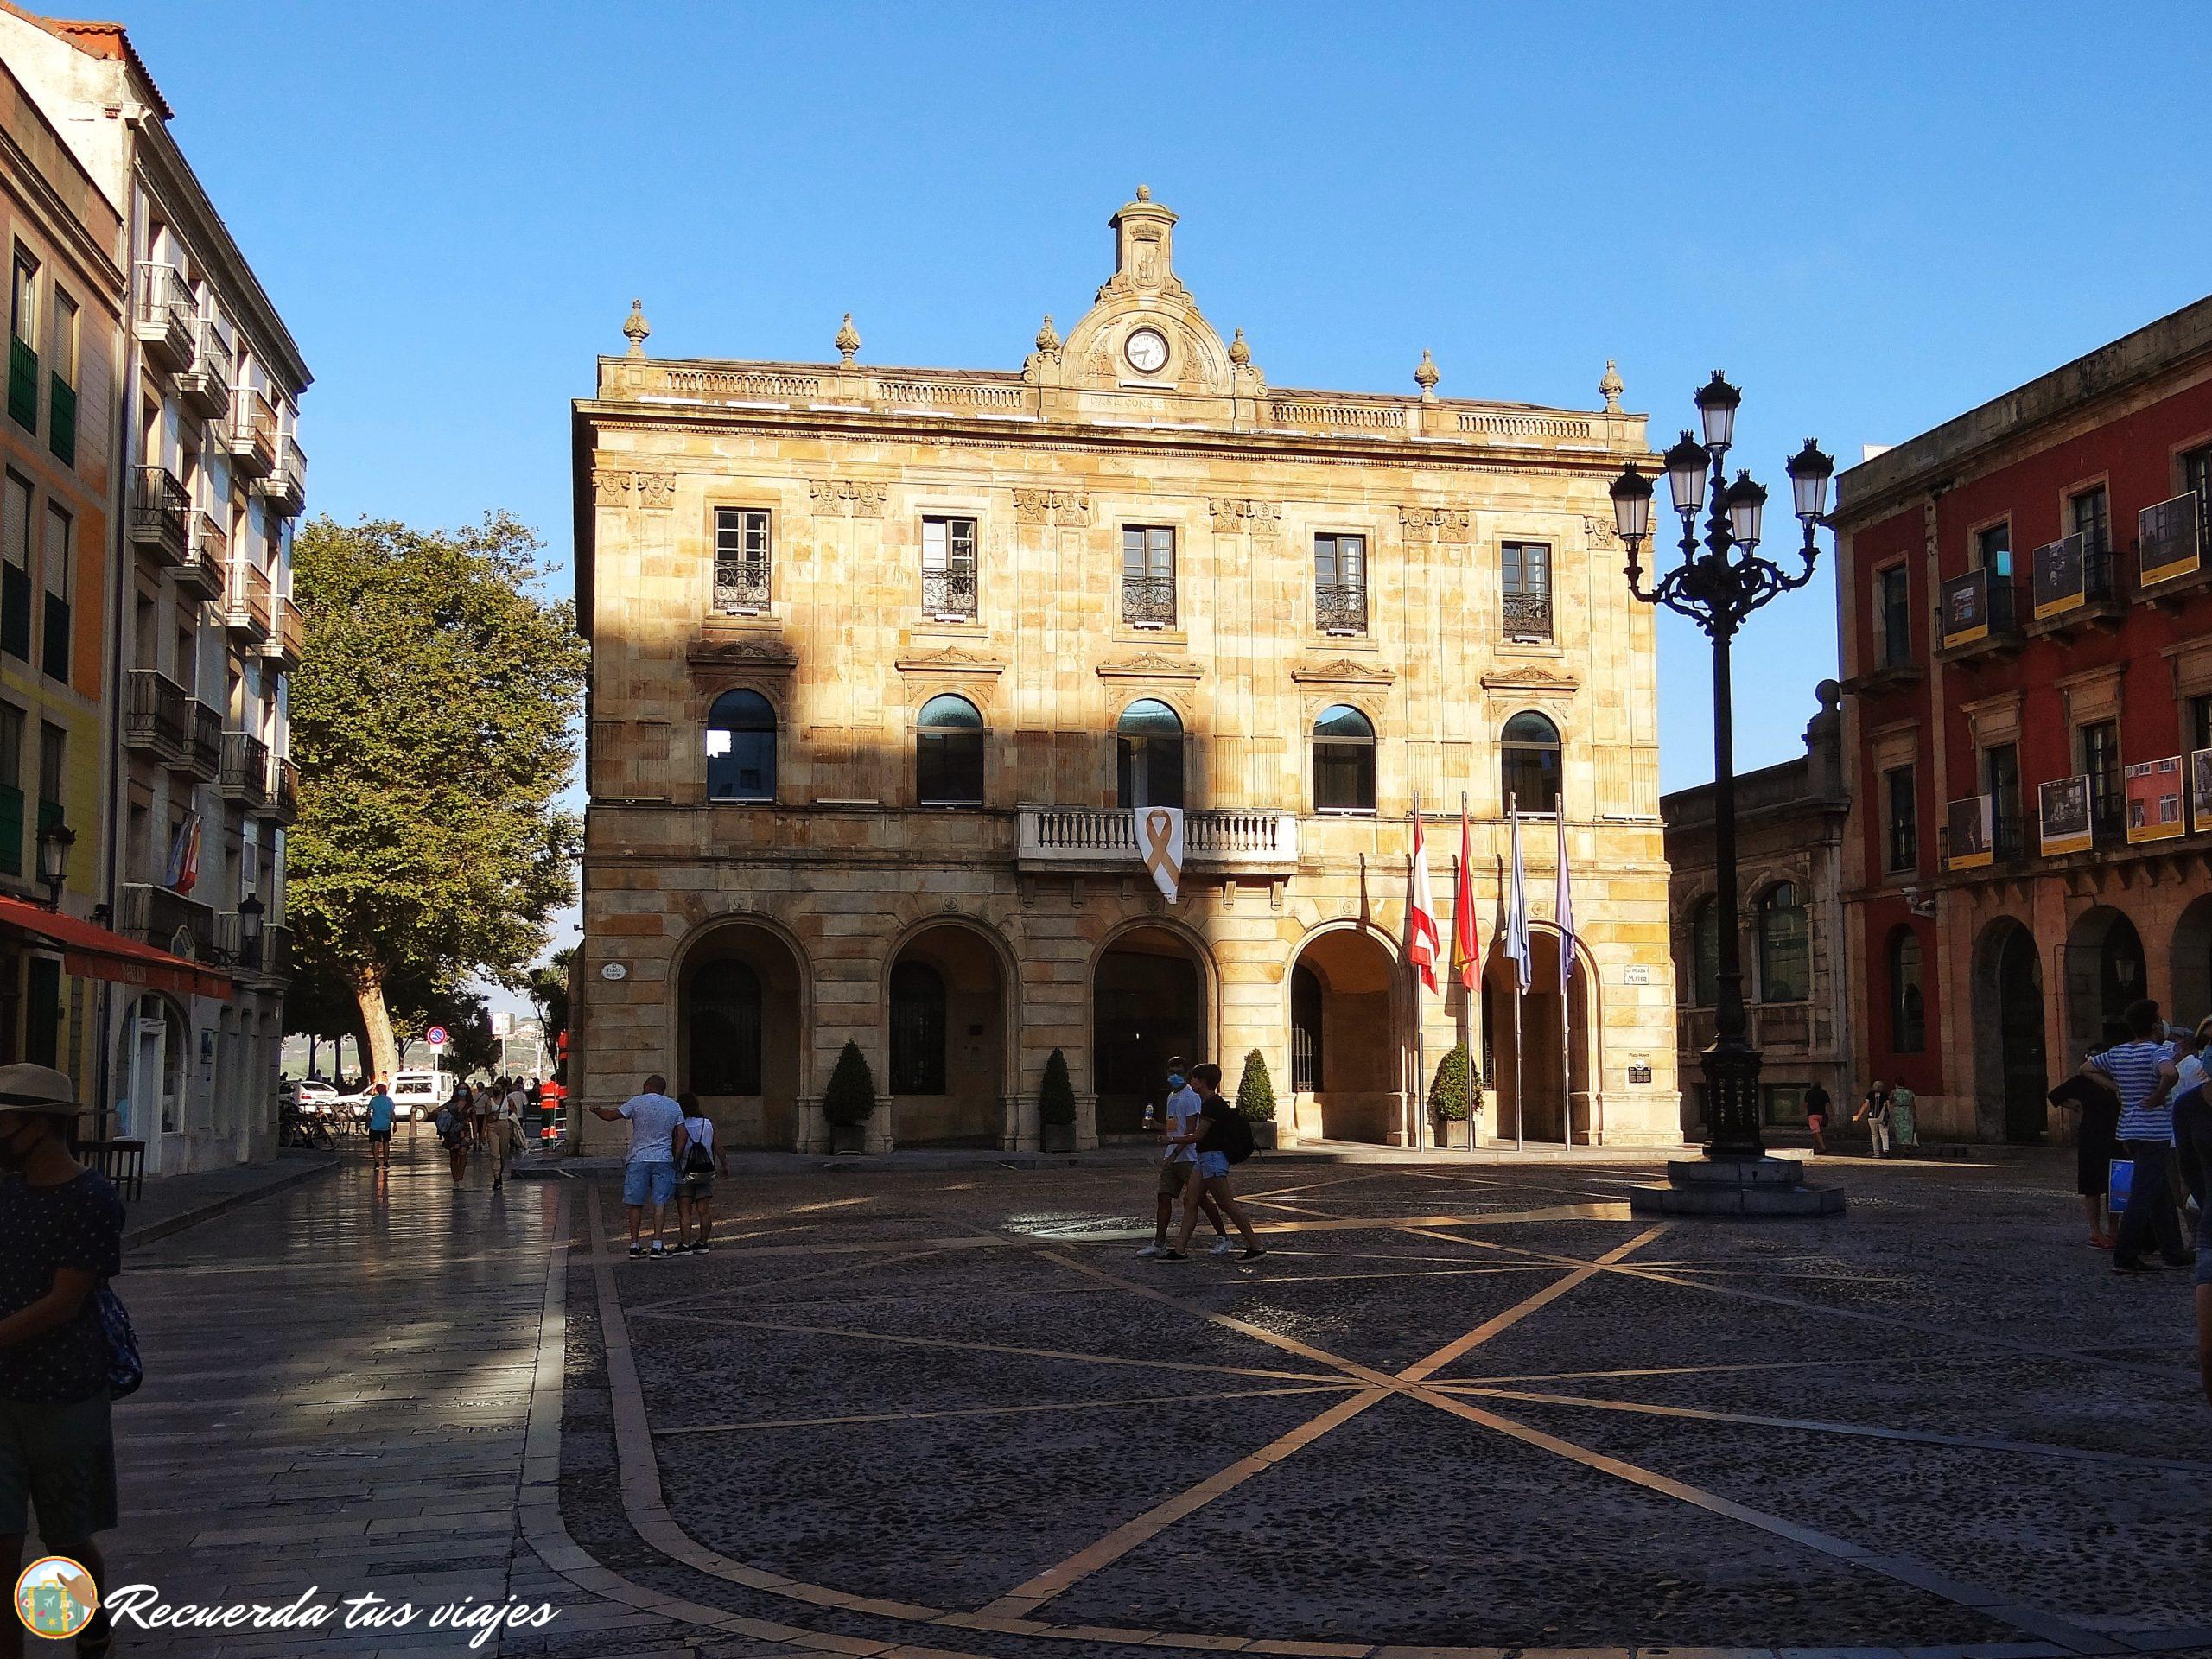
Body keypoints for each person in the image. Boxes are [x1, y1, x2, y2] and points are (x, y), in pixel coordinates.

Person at [0, 1064, 124, 1659]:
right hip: (0, 1390)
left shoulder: (92, 1197)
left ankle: (89, 1625)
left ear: (40, 1126)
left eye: (5, 1122)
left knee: (65, 1539)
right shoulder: (3, 1192)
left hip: (63, 1389)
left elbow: (64, 1300)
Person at [2094, 998, 2193, 1274]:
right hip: (2154, 1133)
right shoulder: (2155, 1051)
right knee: (2142, 1194)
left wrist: (2115, 1086)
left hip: (2129, 1131)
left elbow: (2086, 1068)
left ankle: (2173, 1251)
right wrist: (2159, 1095)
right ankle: (2125, 1256)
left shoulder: (2120, 1052)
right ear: (2153, 1026)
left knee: (2160, 1192)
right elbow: (2169, 1073)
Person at [1166, 1063, 1265, 1262]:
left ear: (1202, 1082)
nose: (1191, 1081)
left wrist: (1172, 1140)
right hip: (1204, 1158)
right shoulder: (1208, 1102)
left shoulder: (1212, 1104)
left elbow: (1198, 1135)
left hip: (1212, 1157)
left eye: (1194, 1078)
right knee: (1190, 1200)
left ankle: (1256, 1246)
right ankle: (1179, 1250)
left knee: (1226, 1203)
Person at [1139, 1057, 1230, 1259]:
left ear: (1188, 1075)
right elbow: (1174, 1127)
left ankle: (1223, 1236)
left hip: (1187, 1157)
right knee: (1163, 1197)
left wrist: (1174, 1151)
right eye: (1172, 1072)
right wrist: (1157, 1126)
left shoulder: (1191, 1097)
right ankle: (1159, 1243)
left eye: (1179, 1072)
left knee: (1200, 1200)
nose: (1175, 1076)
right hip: (1174, 1154)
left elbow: (1191, 1131)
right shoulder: (1172, 1096)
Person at [2049, 1025, 2126, 1249]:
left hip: (2114, 1136)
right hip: (2093, 1137)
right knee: (2092, 1187)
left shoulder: (2115, 1082)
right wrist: (2076, 1107)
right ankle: (2096, 1231)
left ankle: (2114, 1230)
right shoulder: (2082, 1081)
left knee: (2114, 1187)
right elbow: (2055, 1096)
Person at [590, 1074, 683, 1257]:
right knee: (660, 1203)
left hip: (638, 1158)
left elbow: (610, 1116)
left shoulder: (637, 1102)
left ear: (648, 1086)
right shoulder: (674, 1106)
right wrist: (675, 1157)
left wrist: (596, 1109)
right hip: (663, 1158)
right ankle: (657, 1244)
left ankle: (634, 1244)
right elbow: (682, 1135)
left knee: (635, 1203)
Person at [673, 1092, 728, 1254]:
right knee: (704, 1210)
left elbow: (678, 1146)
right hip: (705, 1171)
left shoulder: (680, 1125)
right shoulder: (707, 1123)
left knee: (684, 1211)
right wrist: (725, 1164)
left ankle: (685, 1244)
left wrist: (674, 1163)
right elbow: (717, 1146)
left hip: (684, 1172)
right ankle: (703, 1242)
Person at [486, 1087, 524, 1191]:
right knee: (495, 1154)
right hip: (492, 1127)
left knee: (503, 1154)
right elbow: (486, 1116)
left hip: (505, 1125)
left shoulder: (508, 1100)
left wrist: (511, 1120)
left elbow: (514, 1110)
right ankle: (496, 1178)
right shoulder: (490, 1101)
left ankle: (499, 1173)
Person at [435, 1089, 472, 1187]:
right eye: (461, 1088)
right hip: (452, 1132)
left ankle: (460, 1177)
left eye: (464, 1088)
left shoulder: (470, 1104)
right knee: (454, 1155)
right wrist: (444, 1119)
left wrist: (476, 1136)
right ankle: (455, 1178)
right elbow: (437, 1110)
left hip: (465, 1131)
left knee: (463, 1153)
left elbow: (474, 1119)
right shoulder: (451, 1104)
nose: (462, 1091)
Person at [1853, 1080, 1893, 1158]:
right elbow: (1889, 1106)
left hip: (1872, 1117)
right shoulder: (1885, 1095)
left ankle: (1876, 1153)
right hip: (1882, 1118)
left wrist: (1858, 1115)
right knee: (1884, 1133)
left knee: (1874, 1135)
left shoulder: (1870, 1095)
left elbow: (1865, 1105)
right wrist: (1889, 1115)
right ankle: (1885, 1149)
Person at [364, 1079, 396, 1173]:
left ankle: (377, 1162)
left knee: (376, 1144)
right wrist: (395, 1123)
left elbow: (368, 1112)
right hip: (386, 1125)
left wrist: (367, 1123)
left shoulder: (374, 1100)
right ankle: (386, 1162)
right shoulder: (389, 1100)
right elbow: (392, 1113)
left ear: (377, 1091)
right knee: (386, 1143)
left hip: (375, 1125)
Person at [1802, 1080, 1831, 1155]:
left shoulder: (1809, 1093)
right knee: (1818, 1131)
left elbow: (1805, 1103)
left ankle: (1822, 1147)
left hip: (1812, 1114)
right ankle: (1815, 1146)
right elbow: (1828, 1104)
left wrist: (1801, 1112)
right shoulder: (1824, 1093)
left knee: (1816, 1131)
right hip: (1821, 1114)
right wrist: (1831, 1114)